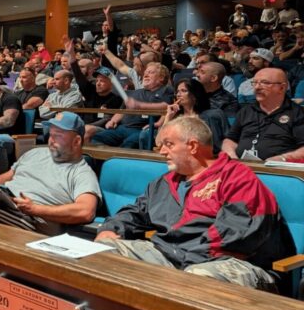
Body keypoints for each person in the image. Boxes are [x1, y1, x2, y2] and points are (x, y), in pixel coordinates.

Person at [95, 117, 294, 290]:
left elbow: (238, 234)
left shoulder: (237, 178)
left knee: (196, 277)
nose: (162, 151)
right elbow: (135, 212)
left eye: (168, 144)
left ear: (192, 146)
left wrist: (180, 262)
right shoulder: (165, 182)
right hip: (173, 258)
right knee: (103, 249)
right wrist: (111, 228)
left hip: (232, 263)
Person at [222, 67, 304, 161]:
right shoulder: (246, 111)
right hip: (242, 167)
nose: (257, 87)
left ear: (282, 87)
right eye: (254, 82)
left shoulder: (298, 113)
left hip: (279, 171)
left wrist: (283, 158)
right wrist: (232, 156)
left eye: (265, 83)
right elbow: (230, 139)